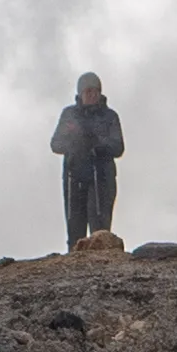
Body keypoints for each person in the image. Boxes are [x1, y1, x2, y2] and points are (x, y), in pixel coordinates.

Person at [52, 74, 123, 248]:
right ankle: (75, 267)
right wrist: (74, 139)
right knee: (75, 230)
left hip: (102, 180)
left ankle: (102, 265)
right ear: (80, 93)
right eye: (88, 91)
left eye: (96, 91)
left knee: (100, 230)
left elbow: (118, 147)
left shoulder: (109, 116)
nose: (92, 95)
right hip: (74, 179)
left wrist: (97, 144)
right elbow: (56, 144)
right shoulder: (69, 114)